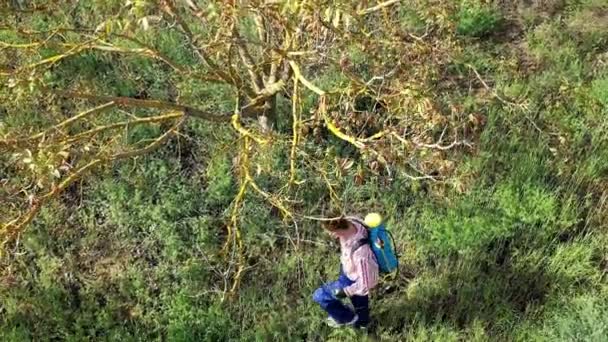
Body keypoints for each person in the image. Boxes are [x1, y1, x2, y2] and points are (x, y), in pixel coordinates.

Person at [312, 216, 379, 328]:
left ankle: (346, 318)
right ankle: (361, 322)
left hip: (353, 282)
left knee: (320, 295)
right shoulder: (351, 221)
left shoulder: (361, 253)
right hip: (349, 271)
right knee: (360, 306)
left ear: (336, 230)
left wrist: (345, 292)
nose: (330, 235)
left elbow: (365, 284)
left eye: (330, 232)